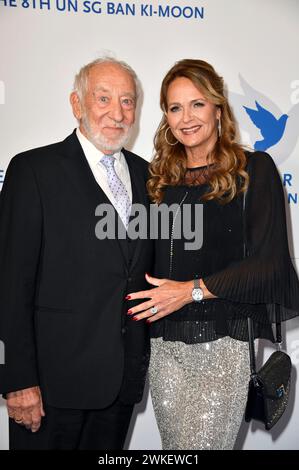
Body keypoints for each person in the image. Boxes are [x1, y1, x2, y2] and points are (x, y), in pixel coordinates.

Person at [126, 59, 299, 450]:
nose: (186, 118)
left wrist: (192, 290)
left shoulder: (253, 169)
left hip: (221, 349)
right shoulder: (157, 180)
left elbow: (270, 265)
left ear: (218, 109)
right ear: (166, 117)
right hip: (163, 349)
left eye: (197, 104)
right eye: (175, 107)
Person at [0, 57, 153, 449]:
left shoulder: (148, 176)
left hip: (120, 386)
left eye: (127, 101)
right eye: (103, 99)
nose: (117, 114)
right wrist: (18, 380)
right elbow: (11, 283)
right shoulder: (33, 170)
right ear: (77, 104)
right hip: (50, 390)